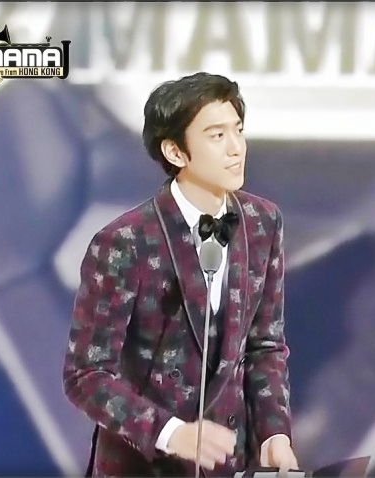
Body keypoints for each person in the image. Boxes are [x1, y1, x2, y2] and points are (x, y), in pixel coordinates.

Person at [62, 72, 299, 477]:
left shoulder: (263, 222)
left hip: (228, 462)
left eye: (238, 130)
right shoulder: (124, 243)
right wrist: (171, 433)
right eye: (217, 135)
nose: (236, 147)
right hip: (144, 466)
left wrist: (274, 434)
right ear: (175, 151)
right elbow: (86, 375)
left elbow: (264, 346)